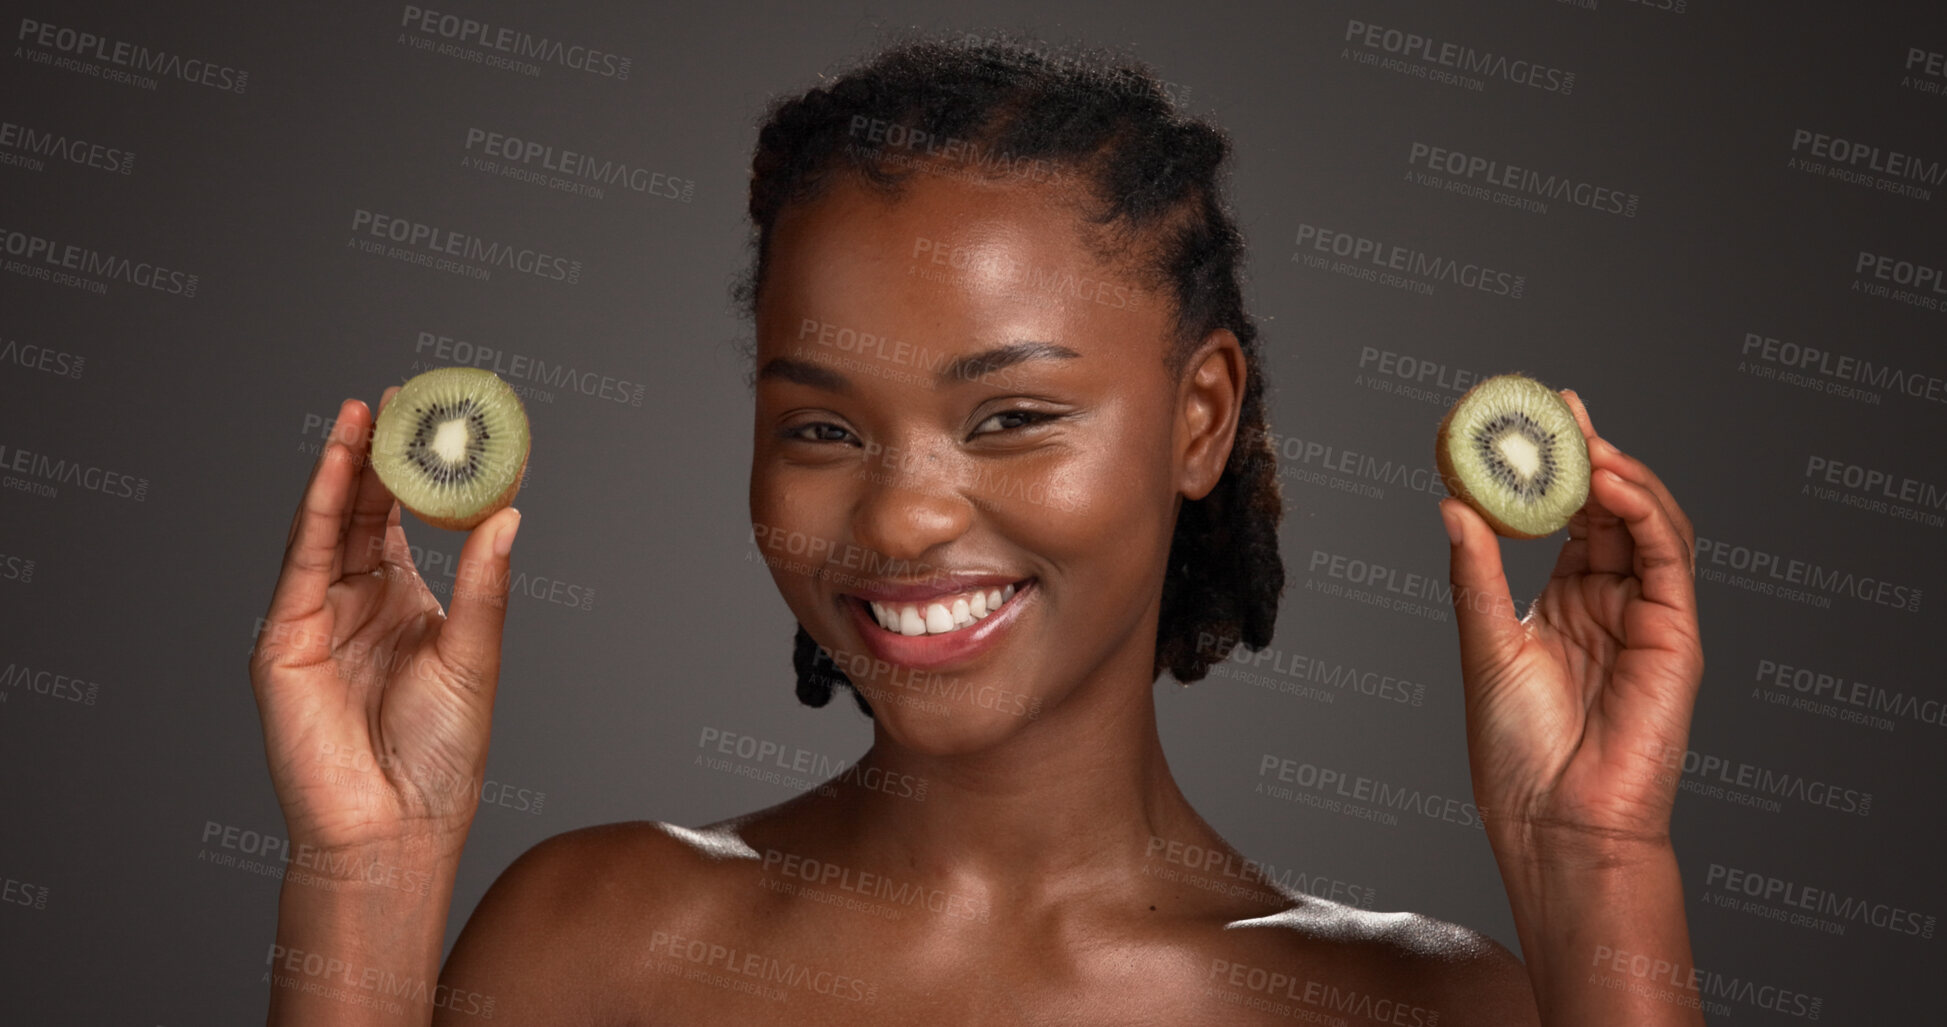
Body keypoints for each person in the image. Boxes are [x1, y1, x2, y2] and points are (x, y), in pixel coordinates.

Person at [251, 33, 1705, 1025]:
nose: (899, 514)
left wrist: (1596, 866)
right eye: (821, 428)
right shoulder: (593, 938)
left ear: (1199, 419)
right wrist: (365, 874)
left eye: (1011, 418)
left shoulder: (1426, 1010)